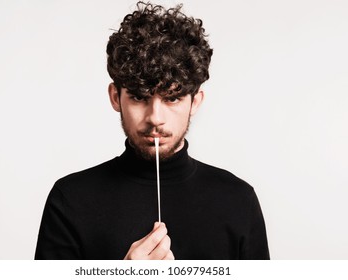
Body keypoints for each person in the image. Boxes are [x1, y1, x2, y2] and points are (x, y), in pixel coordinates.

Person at [35, 1, 269, 260]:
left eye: (172, 98)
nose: (155, 118)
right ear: (115, 97)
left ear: (196, 102)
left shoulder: (237, 200)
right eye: (138, 97)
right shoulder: (70, 200)